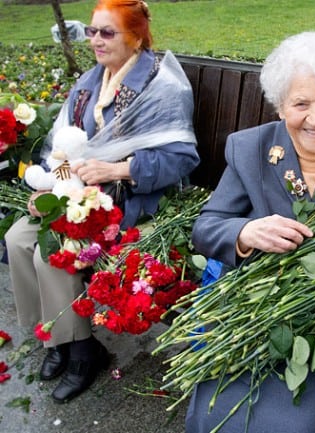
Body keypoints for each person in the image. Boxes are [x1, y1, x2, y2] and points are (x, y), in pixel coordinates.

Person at [186, 31, 315, 433]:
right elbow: (206, 228)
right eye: (301, 104)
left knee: (286, 424)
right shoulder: (250, 149)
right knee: (213, 416)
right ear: (281, 105)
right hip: (249, 315)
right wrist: (247, 232)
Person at [4, 0, 199, 404]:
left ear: (136, 36)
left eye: (106, 33)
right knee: (18, 238)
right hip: (78, 193)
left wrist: (117, 171)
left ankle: (81, 353)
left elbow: (182, 158)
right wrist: (48, 190)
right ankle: (56, 338)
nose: (94, 40)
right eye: (91, 31)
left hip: (133, 198)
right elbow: (61, 149)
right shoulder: (91, 81)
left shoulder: (161, 86)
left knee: (50, 252)